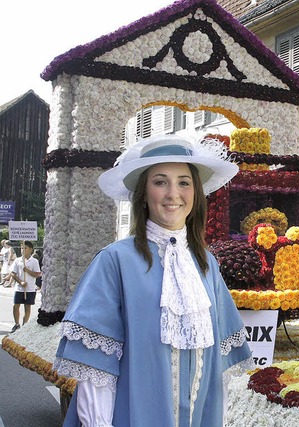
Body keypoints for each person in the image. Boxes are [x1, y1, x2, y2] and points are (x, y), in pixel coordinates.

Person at [53, 134, 254, 427]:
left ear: (196, 193)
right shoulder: (115, 261)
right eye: (160, 182)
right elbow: (97, 369)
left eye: (184, 182)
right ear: (143, 194)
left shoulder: (207, 264)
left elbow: (220, 366)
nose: (174, 193)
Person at [9, 240, 41, 332]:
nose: (23, 250)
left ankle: (24, 325)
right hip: (19, 288)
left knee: (27, 307)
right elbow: (13, 273)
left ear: (30, 249)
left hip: (30, 288)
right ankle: (16, 324)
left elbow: (37, 274)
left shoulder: (34, 261)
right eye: (22, 248)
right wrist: (20, 282)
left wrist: (27, 270)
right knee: (16, 306)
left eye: (25, 248)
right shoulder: (17, 260)